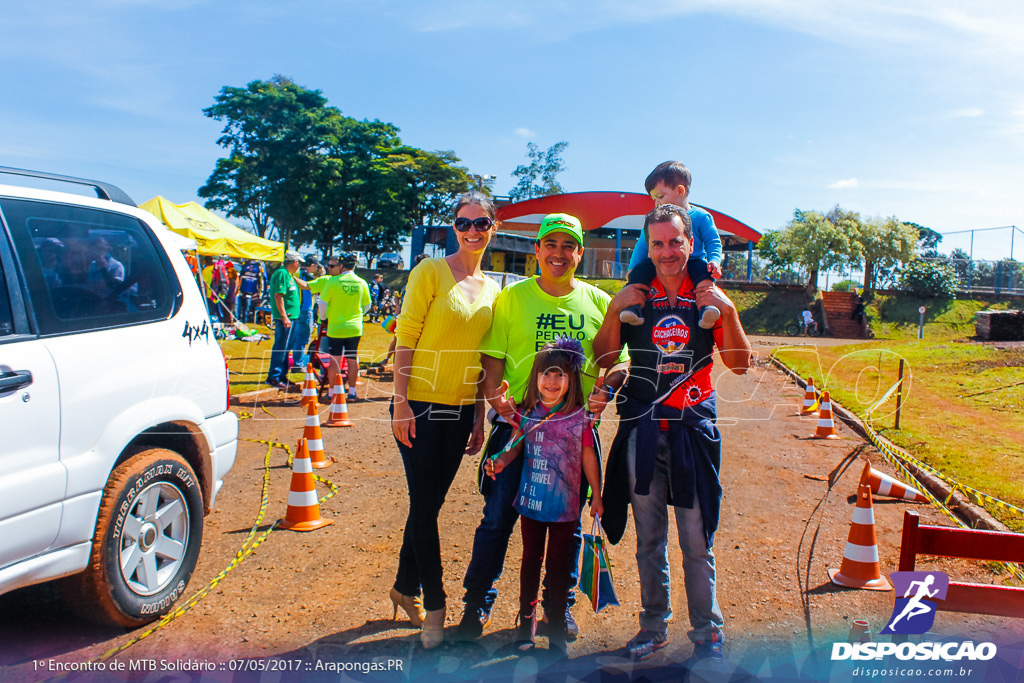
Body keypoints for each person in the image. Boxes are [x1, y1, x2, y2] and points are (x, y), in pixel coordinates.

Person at [456, 213, 627, 642]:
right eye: (550, 244)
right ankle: (477, 604)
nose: (558, 253)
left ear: (580, 253)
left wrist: (607, 387)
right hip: (518, 427)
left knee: (565, 526)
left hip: (572, 437)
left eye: (568, 246)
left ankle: (559, 608)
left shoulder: (598, 301)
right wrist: (495, 395)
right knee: (497, 518)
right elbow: (492, 355)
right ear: (537, 250)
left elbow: (618, 360)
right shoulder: (513, 299)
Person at [593, 203, 751, 664]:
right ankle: (653, 626)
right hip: (642, 429)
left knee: (696, 541)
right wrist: (613, 313)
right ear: (649, 245)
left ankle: (707, 632)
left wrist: (731, 313)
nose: (667, 252)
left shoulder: (707, 299)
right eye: (658, 243)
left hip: (692, 432)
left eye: (675, 242)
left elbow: (739, 365)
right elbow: (604, 361)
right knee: (649, 540)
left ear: (690, 243)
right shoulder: (635, 297)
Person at [387, 191, 500, 649]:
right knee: (424, 504)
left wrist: (477, 415)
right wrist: (399, 402)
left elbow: (481, 356)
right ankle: (435, 604)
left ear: (494, 226)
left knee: (427, 506)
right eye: (463, 223)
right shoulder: (430, 271)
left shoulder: (494, 288)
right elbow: (407, 337)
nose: (472, 231)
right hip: (417, 407)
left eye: (481, 223)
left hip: (459, 413)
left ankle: (402, 585)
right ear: (452, 227)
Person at [484, 339, 604, 658]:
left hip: (566, 508)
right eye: (546, 375)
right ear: (536, 377)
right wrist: (497, 461)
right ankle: (527, 624)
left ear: (571, 380)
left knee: (560, 566)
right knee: (530, 562)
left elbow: (590, 457)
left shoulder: (581, 418)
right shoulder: (526, 414)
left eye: (559, 375)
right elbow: (513, 449)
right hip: (532, 504)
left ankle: (556, 632)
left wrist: (598, 495)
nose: (551, 382)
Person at [620, 161, 724, 330]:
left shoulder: (700, 216)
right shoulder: (653, 220)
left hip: (694, 260)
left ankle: (707, 309)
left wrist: (714, 261)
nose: (656, 203)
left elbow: (713, 241)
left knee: (704, 277)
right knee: (639, 274)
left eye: (660, 197)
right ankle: (633, 308)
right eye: (654, 199)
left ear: (680, 191)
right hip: (662, 262)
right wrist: (632, 268)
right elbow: (642, 245)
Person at [302, 253, 371, 400]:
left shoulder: (333, 282)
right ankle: (352, 391)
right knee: (352, 358)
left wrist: (323, 318)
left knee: (335, 360)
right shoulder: (362, 282)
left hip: (336, 327)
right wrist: (359, 315)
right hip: (355, 327)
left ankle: (332, 392)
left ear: (341, 266)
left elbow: (322, 303)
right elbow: (367, 305)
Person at [264, 251, 304, 390]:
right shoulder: (281, 273)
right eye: (298, 262)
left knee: (287, 347)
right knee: (281, 347)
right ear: (293, 262)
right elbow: (278, 296)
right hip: (285, 317)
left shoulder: (289, 275)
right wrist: (284, 316)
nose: (299, 265)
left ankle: (282, 376)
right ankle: (274, 376)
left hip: (292, 316)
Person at [292, 255, 323, 371]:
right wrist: (321, 275)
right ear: (312, 265)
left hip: (296, 309)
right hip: (305, 309)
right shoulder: (308, 276)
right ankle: (298, 364)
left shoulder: (297, 273)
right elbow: (318, 287)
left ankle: (295, 362)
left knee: (294, 338)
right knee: (303, 338)